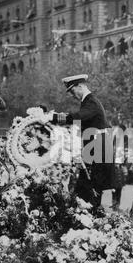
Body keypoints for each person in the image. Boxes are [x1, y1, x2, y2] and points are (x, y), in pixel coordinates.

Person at [51, 74, 115, 208]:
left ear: (80, 86)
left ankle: (101, 218)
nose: (72, 95)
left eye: (72, 91)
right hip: (95, 148)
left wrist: (54, 117)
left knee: (97, 187)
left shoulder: (91, 102)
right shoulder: (88, 102)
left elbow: (78, 117)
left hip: (99, 149)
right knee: (85, 187)